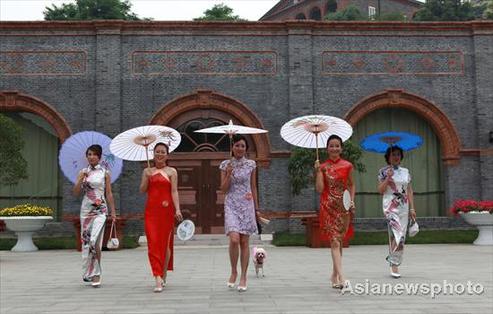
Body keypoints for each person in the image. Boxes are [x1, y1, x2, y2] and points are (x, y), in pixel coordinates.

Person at [140, 142, 183, 292]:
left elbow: (174, 192)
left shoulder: (172, 171)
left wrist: (177, 209)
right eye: (157, 152)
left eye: (162, 152)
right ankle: (157, 277)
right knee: (153, 244)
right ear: (153, 154)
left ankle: (163, 273)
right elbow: (142, 190)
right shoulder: (147, 171)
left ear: (167, 155)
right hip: (151, 212)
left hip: (166, 211)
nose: (159, 154)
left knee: (165, 245)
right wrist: (146, 177)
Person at [314, 134, 355, 289]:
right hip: (327, 206)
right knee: (334, 241)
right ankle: (342, 278)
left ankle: (334, 275)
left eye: (337, 145)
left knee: (339, 241)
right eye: (331, 145)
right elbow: (319, 189)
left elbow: (351, 185)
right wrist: (318, 172)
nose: (334, 148)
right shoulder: (322, 167)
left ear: (341, 148)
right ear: (327, 148)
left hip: (343, 207)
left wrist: (351, 201)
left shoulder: (348, 166)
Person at [73, 144, 116, 287]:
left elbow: (109, 193)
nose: (91, 157)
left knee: (95, 241)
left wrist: (113, 212)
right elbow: (75, 193)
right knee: (86, 243)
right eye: (89, 154)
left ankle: (97, 273)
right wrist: (80, 179)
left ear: (99, 156)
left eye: (94, 154)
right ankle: (88, 273)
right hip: (86, 211)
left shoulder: (105, 173)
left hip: (100, 210)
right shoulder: (82, 172)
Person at [220, 135, 259, 292]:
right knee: (234, 239)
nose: (240, 148)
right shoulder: (225, 165)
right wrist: (229, 174)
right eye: (237, 145)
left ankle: (243, 276)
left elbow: (253, 186)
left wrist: (256, 208)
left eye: (243, 146)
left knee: (244, 241)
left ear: (246, 148)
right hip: (231, 204)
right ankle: (233, 271)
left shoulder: (251, 164)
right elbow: (223, 189)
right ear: (232, 147)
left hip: (247, 203)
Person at [377, 145, 416, 278]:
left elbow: (409, 190)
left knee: (401, 237)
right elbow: (381, 190)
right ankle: (393, 262)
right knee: (397, 232)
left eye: (398, 154)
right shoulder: (383, 171)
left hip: (404, 206)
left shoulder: (406, 171)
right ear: (388, 157)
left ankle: (394, 262)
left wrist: (412, 208)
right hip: (390, 206)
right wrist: (388, 178)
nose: (396, 157)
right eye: (393, 154)